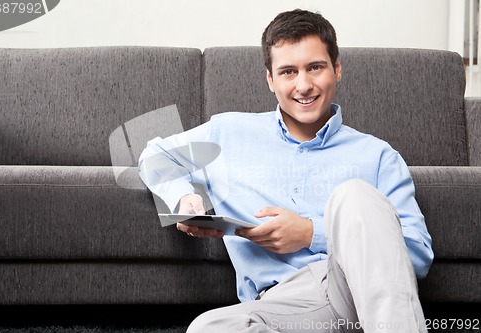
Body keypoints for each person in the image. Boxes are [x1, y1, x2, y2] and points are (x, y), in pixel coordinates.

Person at [138, 9, 434, 333]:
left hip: (355, 295)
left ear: (337, 70)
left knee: (354, 195)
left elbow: (416, 256)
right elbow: (155, 155)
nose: (303, 85)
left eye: (315, 68)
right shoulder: (229, 133)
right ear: (271, 79)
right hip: (276, 306)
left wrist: (311, 233)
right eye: (289, 71)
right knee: (207, 328)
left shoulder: (378, 156)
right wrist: (183, 199)